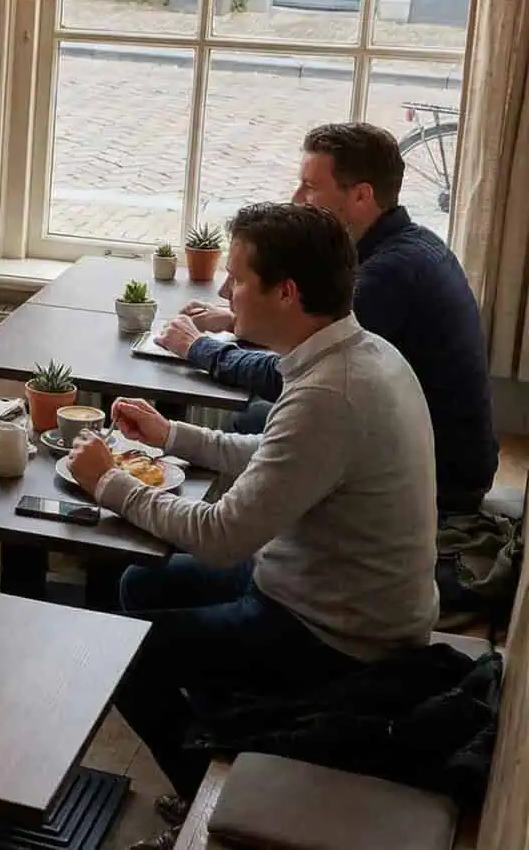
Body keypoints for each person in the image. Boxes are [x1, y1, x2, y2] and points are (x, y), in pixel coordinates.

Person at [66, 203, 438, 850]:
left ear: (286, 292)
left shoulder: (331, 392)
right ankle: (227, 731)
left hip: (339, 636)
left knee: (125, 654)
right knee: (141, 583)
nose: (224, 290)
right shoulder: (356, 355)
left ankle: (209, 794)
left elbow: (221, 536)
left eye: (237, 278)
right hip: (322, 590)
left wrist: (109, 483)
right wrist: (172, 435)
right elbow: (278, 456)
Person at [154, 122, 496, 516]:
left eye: (310, 187)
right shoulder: (411, 245)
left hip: (440, 483)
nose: (296, 198)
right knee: (253, 418)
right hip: (439, 456)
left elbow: (291, 377)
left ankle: (227, 521)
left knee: (249, 421)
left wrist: (198, 348)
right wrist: (235, 321)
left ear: (362, 196)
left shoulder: (385, 277)